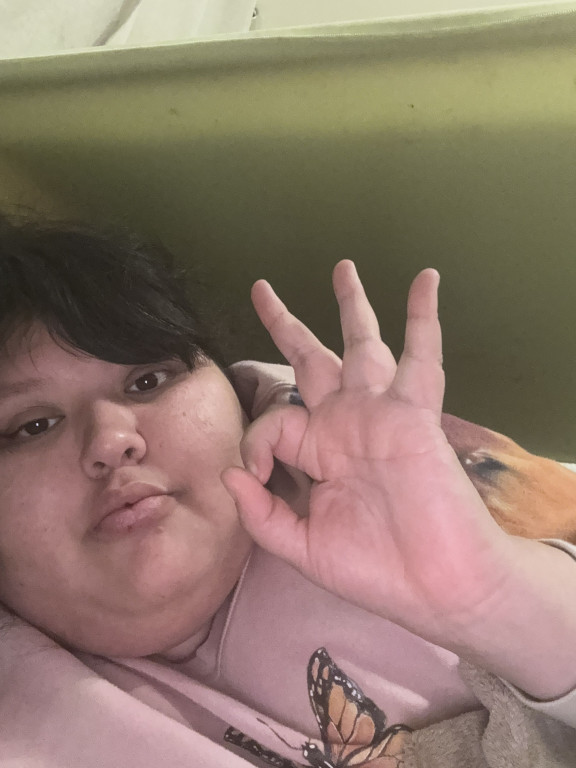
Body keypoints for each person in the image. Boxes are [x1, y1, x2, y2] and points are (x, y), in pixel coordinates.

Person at [0, 212, 574, 768]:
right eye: (33, 426)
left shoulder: (375, 473)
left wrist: (495, 598)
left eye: (148, 380)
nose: (112, 439)